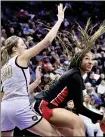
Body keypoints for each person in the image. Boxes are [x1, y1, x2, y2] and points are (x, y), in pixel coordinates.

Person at [33, 18, 105, 136]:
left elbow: (79, 105)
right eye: (86, 59)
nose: (90, 62)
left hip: (47, 106)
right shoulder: (75, 76)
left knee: (70, 132)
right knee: (78, 122)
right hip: (43, 105)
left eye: (92, 59)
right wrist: (102, 117)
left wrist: (100, 116)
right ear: (78, 61)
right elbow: (79, 108)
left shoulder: (76, 75)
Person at [1, 3, 66, 137]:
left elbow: (11, 92)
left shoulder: (4, 67)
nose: (25, 47)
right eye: (23, 44)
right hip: (19, 107)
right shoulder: (21, 58)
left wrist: (36, 82)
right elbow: (47, 41)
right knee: (54, 135)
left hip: (5, 109)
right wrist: (59, 20)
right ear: (14, 49)